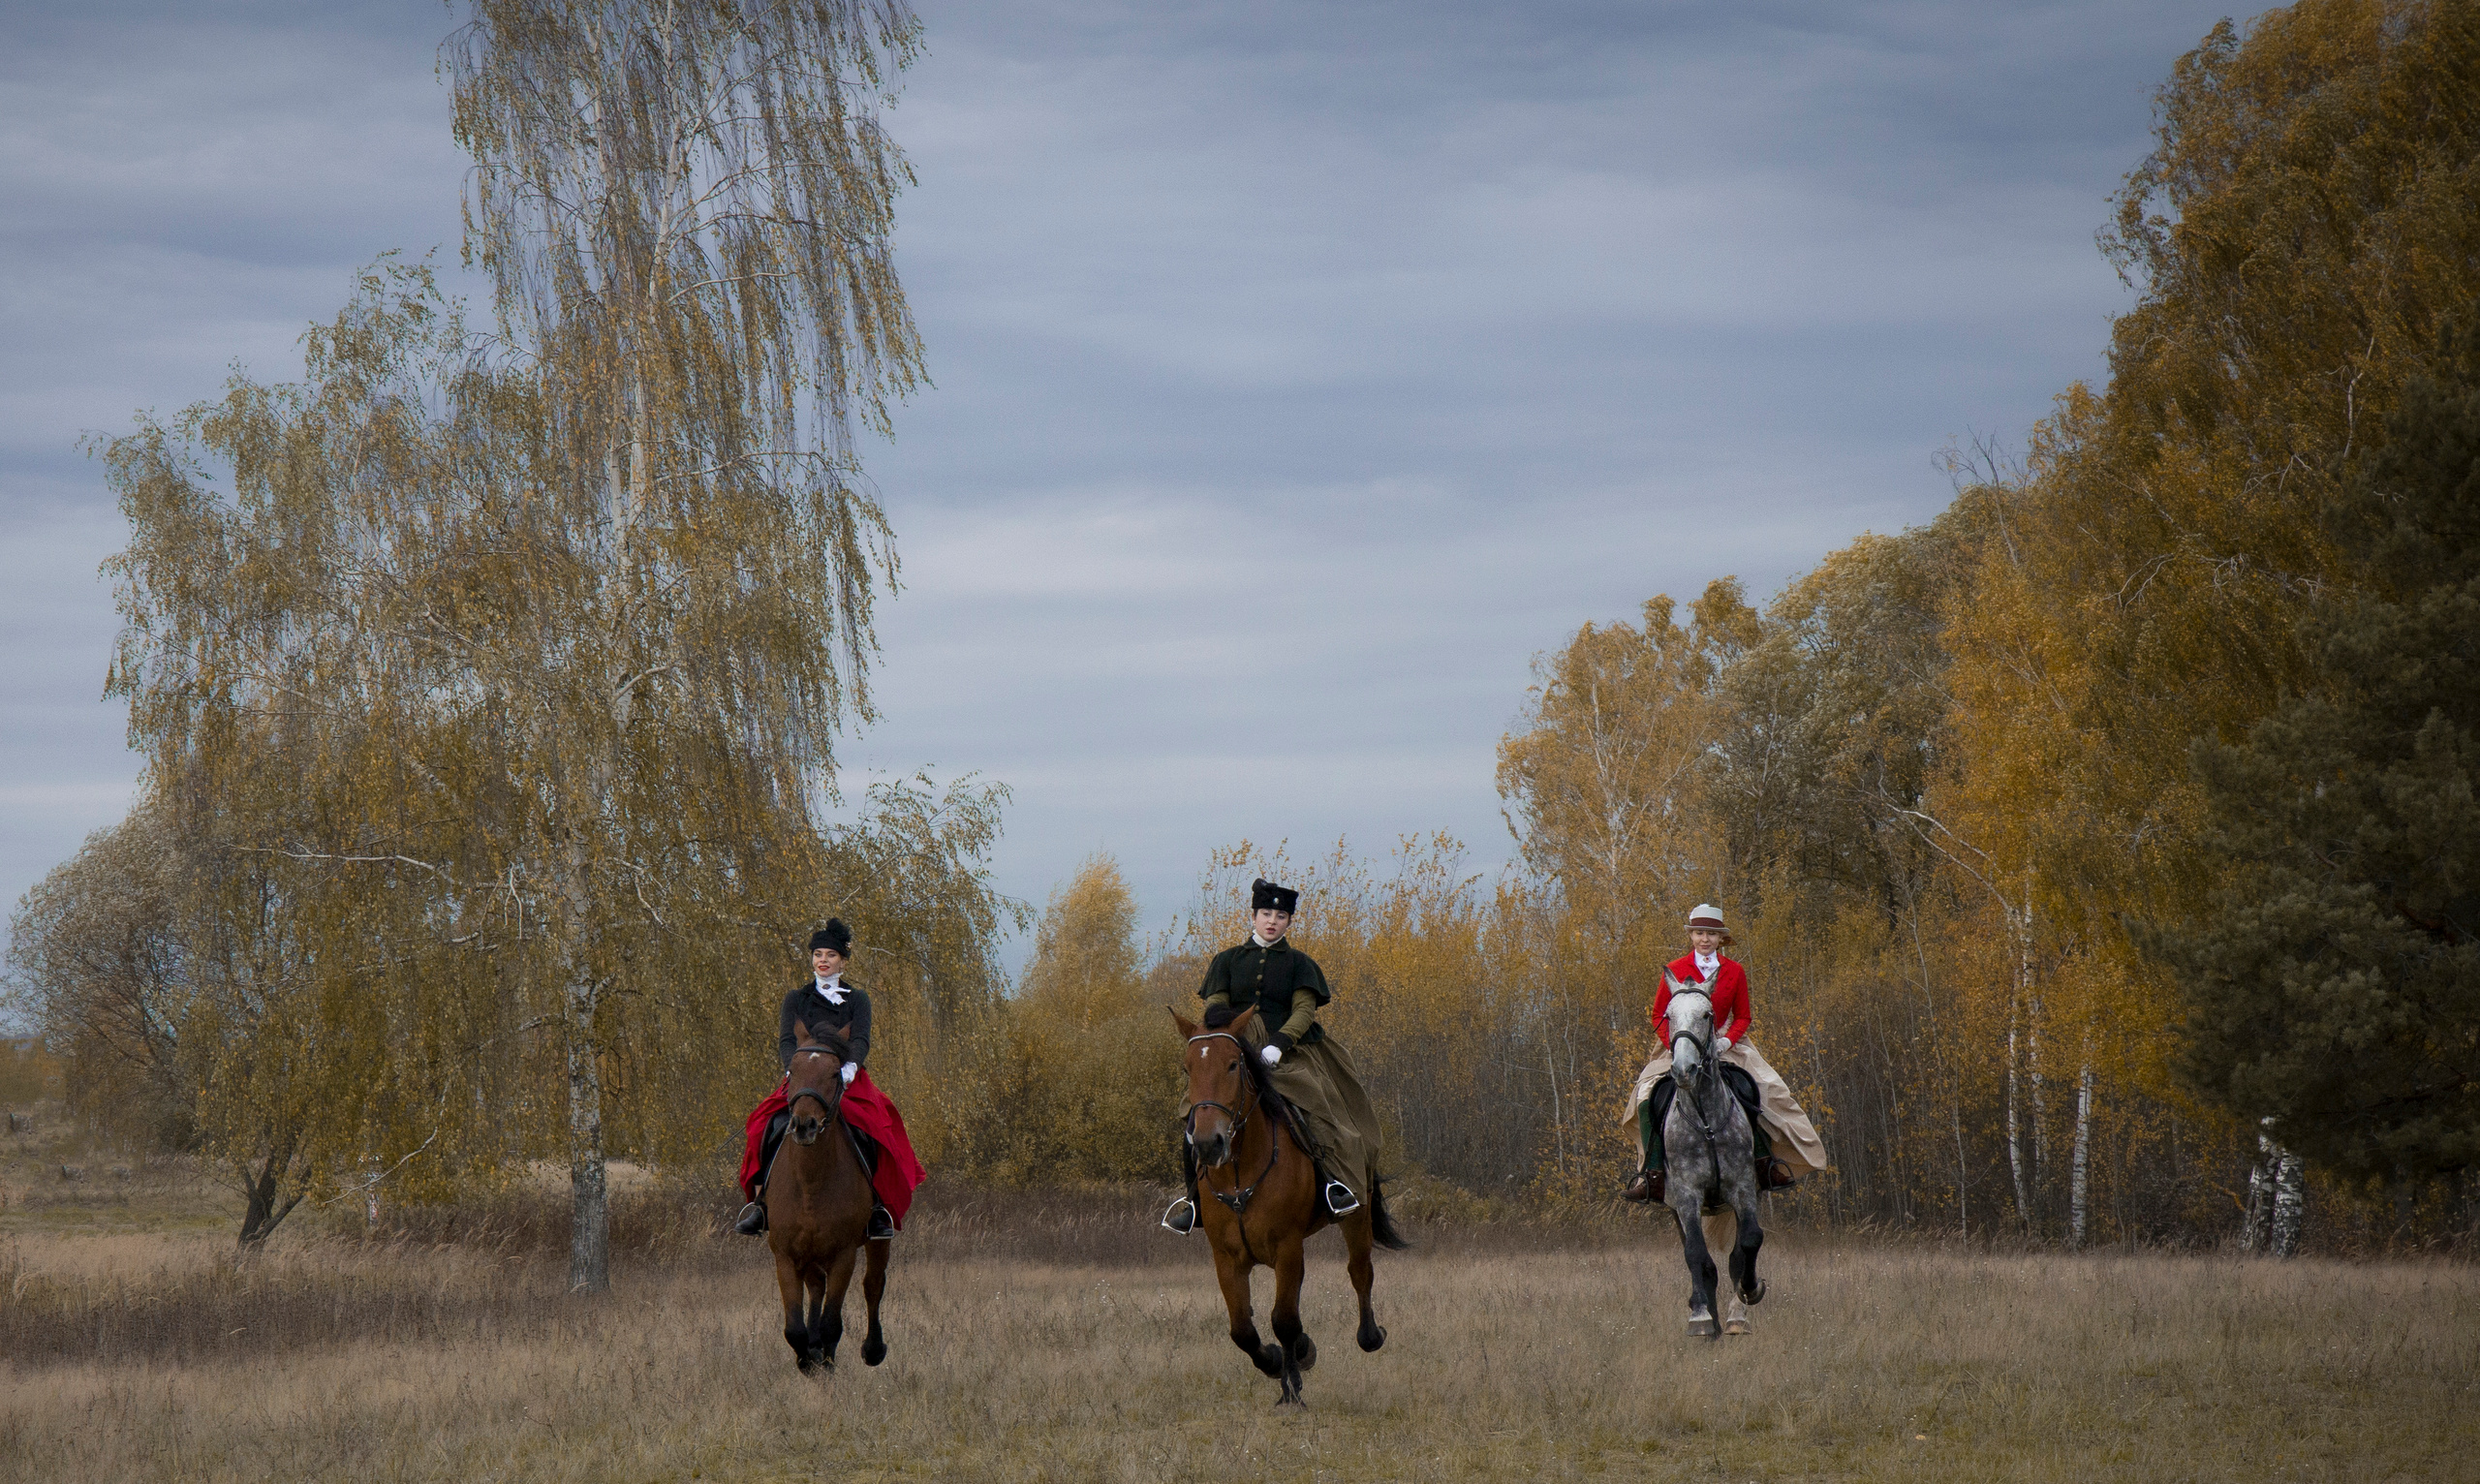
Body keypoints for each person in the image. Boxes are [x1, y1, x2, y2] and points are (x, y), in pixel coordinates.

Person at [1162, 878, 1387, 1233]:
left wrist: (1278, 1044)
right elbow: (1216, 1003)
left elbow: (1304, 1011)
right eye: (1266, 914)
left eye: (1280, 916)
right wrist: (1232, 1035)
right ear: (1253, 916)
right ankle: (1194, 1202)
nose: (1272, 921)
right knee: (1196, 1115)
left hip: (1292, 1053)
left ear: (1288, 922)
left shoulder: (1300, 964)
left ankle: (1334, 1187)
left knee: (1318, 1107)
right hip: (1235, 1050)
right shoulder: (1226, 961)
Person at [1620, 904, 1830, 1203]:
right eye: (1699, 933)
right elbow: (1658, 1015)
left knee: (1764, 1089)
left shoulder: (1734, 971)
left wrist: (1726, 1042)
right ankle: (1652, 1176)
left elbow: (1743, 1016)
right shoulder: (1674, 969)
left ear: (1721, 939)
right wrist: (1676, 1045)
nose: (1705, 939)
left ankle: (1765, 1164)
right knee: (1645, 1096)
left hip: (1725, 1043)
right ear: (1691, 936)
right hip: (1679, 1045)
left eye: (1711, 934)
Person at [733, 920, 925, 1239]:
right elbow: (786, 1041)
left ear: (843, 961)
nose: (823, 960)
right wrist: (792, 1069)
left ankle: (877, 1208)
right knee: (761, 1125)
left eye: (831, 955)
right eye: (818, 954)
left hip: (845, 1078)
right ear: (812, 959)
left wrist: (850, 1068)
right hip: (803, 1078)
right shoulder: (795, 998)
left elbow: (860, 1039)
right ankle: (761, 1204)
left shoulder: (858, 999)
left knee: (875, 1126)